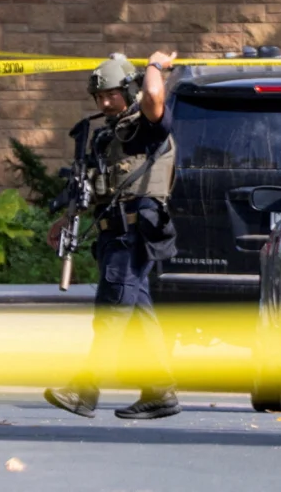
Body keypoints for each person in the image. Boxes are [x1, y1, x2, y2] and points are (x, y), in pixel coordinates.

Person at [44, 50, 182, 420]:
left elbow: (154, 96)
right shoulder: (111, 133)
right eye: (99, 96)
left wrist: (154, 66)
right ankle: (159, 392)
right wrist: (65, 220)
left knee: (111, 314)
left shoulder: (147, 125)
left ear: (130, 88)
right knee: (138, 316)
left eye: (111, 94)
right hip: (114, 232)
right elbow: (97, 185)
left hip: (133, 232)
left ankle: (84, 390)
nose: (104, 102)